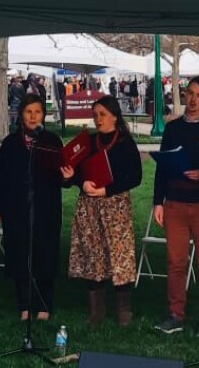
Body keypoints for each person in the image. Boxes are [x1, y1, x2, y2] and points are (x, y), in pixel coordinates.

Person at [152, 76, 199, 337]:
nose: (194, 100)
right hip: (174, 203)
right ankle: (175, 314)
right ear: (185, 95)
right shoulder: (173, 128)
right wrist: (157, 202)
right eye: (190, 94)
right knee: (175, 262)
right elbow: (162, 166)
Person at [63, 96, 142, 327]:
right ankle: (96, 309)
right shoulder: (88, 142)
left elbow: (135, 177)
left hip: (114, 204)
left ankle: (123, 309)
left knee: (119, 253)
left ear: (115, 116)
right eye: (95, 114)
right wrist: (78, 181)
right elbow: (74, 171)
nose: (98, 119)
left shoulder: (125, 143)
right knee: (92, 252)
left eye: (103, 115)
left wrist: (108, 189)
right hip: (89, 205)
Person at [0, 95, 64, 320]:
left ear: (43, 115)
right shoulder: (11, 143)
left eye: (37, 112)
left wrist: (67, 176)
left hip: (46, 207)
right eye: (28, 112)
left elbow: (62, 175)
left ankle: (44, 304)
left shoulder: (51, 140)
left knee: (45, 252)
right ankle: (23, 303)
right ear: (21, 115)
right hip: (17, 207)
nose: (32, 116)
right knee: (20, 253)